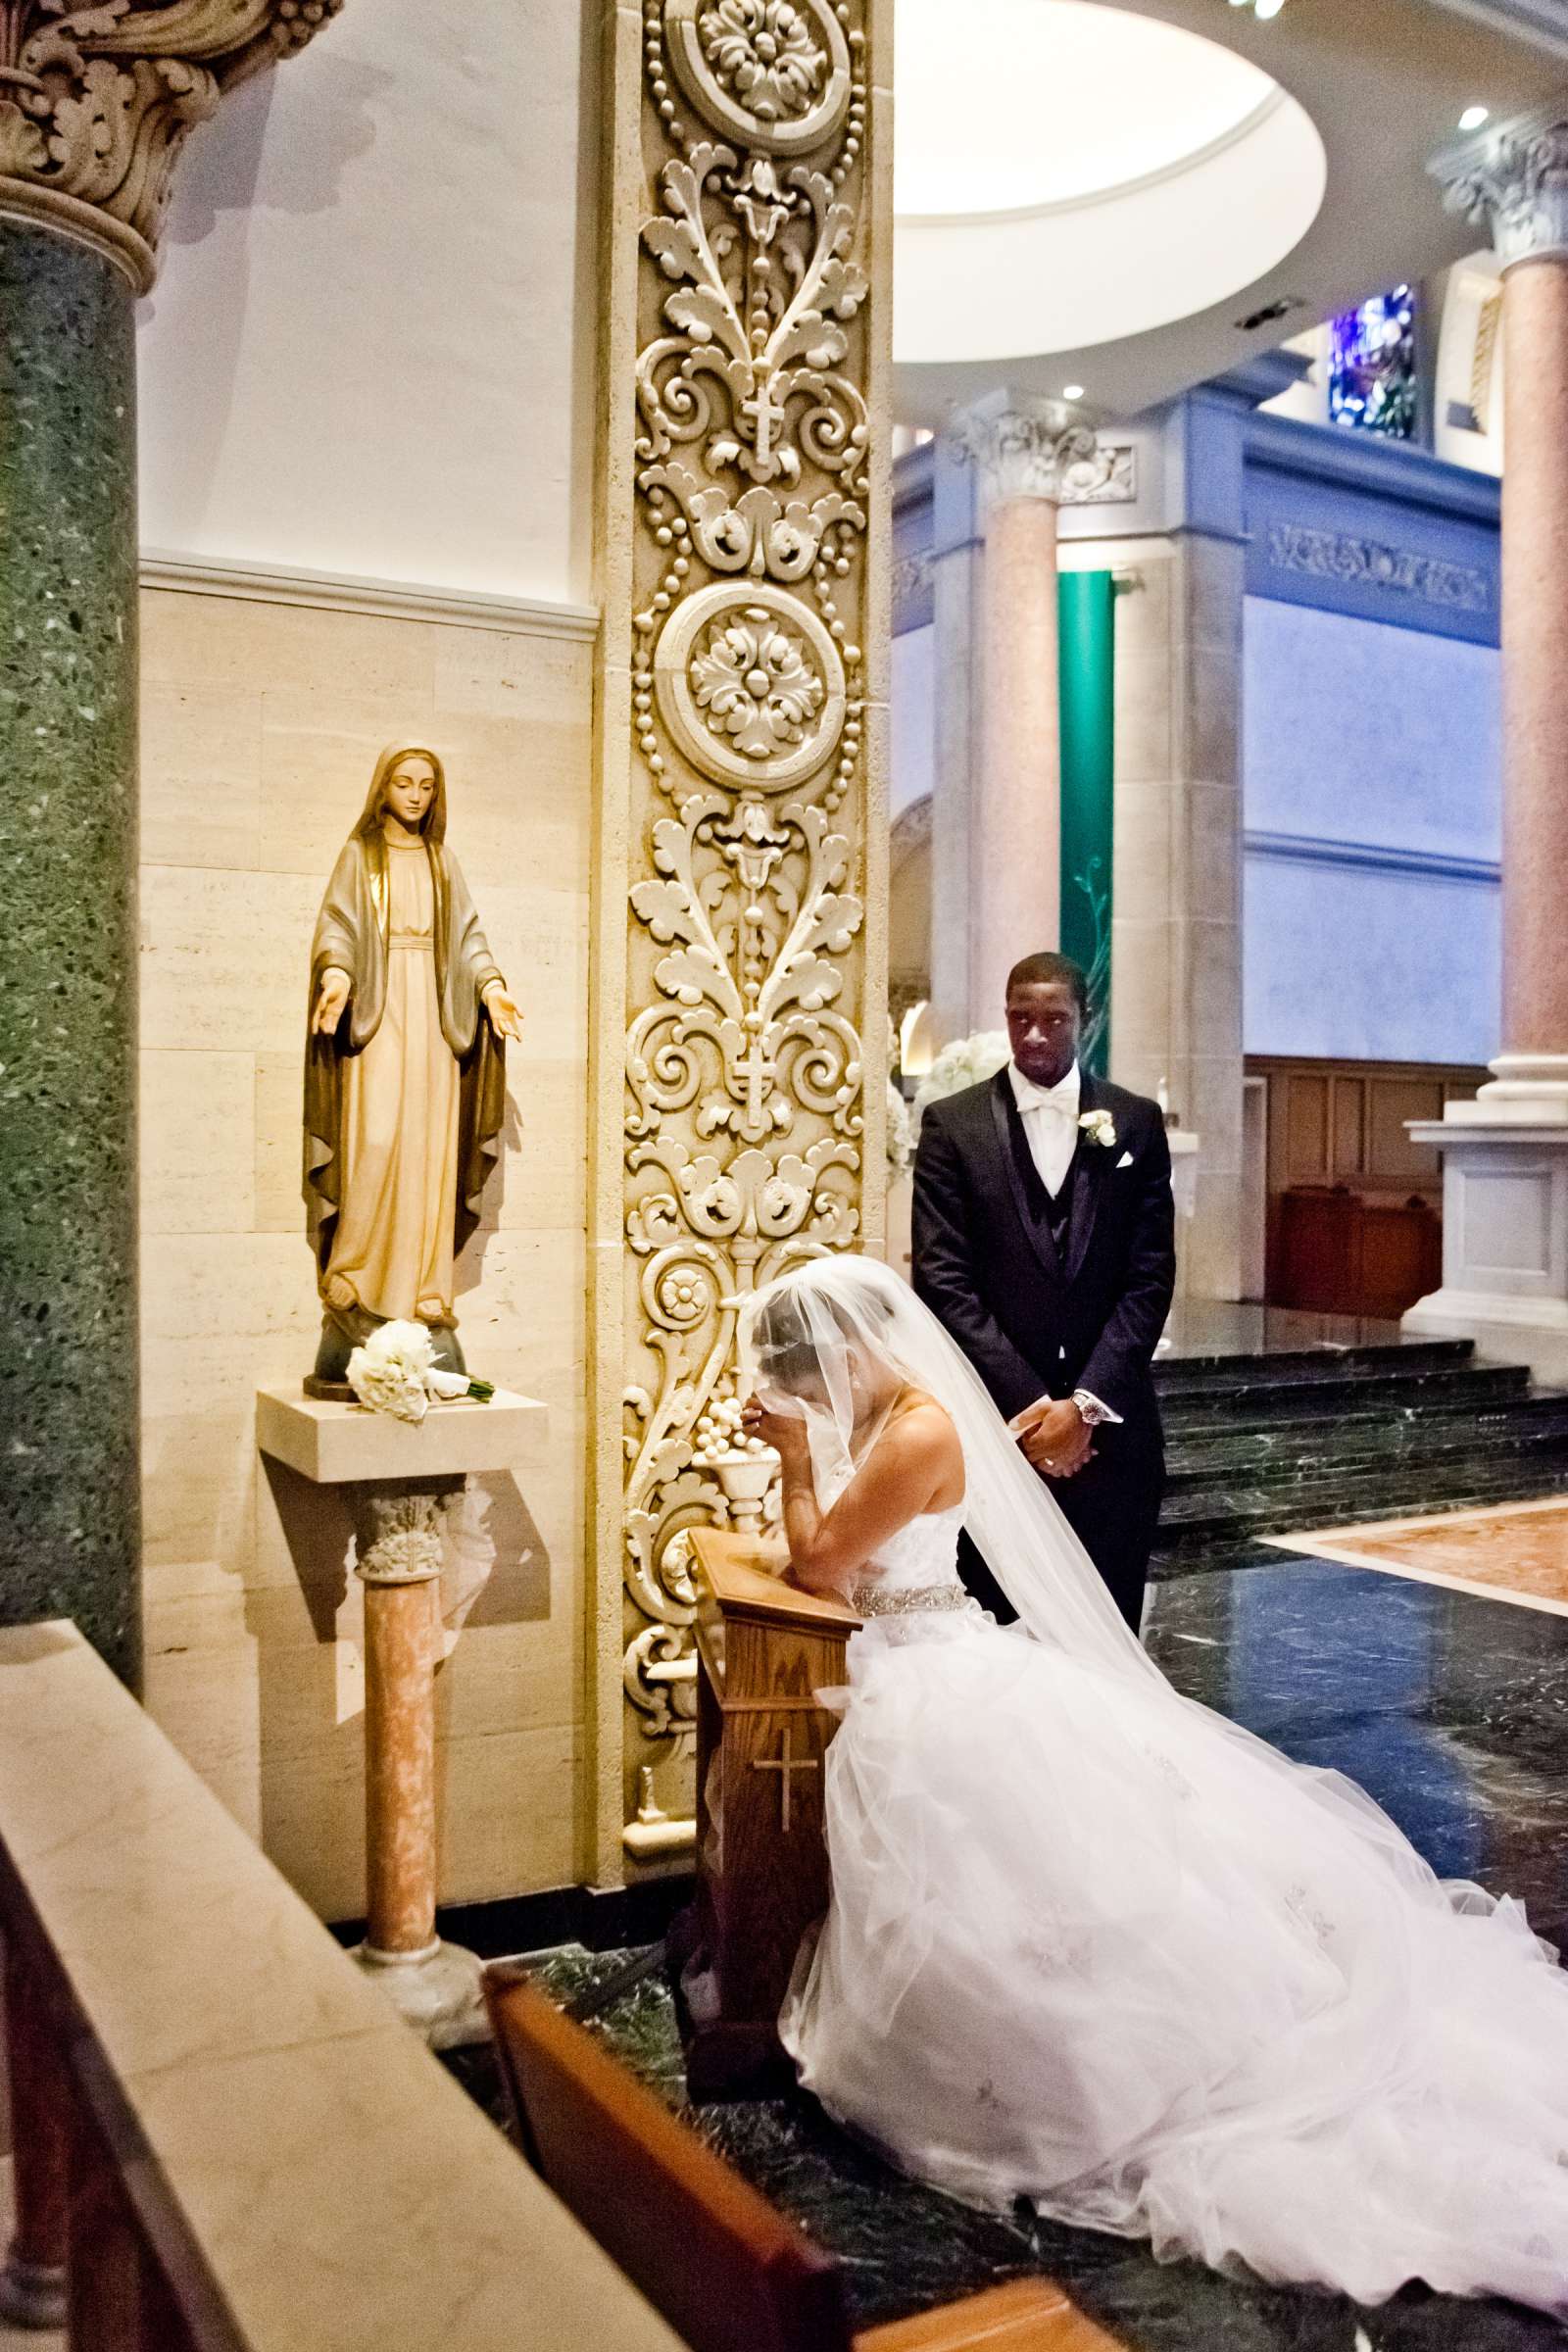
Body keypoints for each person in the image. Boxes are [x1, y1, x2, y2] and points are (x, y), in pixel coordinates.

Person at [738, 1254, 1568, 2320]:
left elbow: (819, 1567)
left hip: (935, 1674)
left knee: (1019, 1890)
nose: (812, 1403)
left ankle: (1095, 2085)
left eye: (812, 1382)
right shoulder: (888, 1414)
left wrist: (798, 1461)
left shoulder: (913, 1431)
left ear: (850, 1350)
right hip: (910, 1660)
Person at [911, 952, 1173, 1634]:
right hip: (998, 1434)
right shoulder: (953, 1125)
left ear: (1082, 1023)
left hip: (1111, 1434)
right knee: (999, 1632)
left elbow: (1150, 1277)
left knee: (1107, 1632)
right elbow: (943, 1279)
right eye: (1019, 1018)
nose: (1033, 1035)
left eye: (1053, 1020)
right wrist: (1034, 1412)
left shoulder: (1135, 1123)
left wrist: (1085, 1406)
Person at [303, 744, 522, 1392]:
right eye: (404, 783)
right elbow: (336, 928)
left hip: (434, 1019)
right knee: (373, 1143)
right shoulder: (359, 859)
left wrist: (491, 990)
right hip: (377, 1013)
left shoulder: (442, 863)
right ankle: (351, 1277)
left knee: (427, 1154)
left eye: (427, 785)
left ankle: (427, 1292)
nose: (417, 795)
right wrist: (337, 978)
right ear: (383, 788)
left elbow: (470, 940)